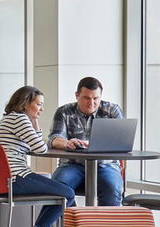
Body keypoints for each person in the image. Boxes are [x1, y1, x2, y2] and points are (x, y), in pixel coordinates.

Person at [0, 85, 77, 227]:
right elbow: (41, 148)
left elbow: (38, 145)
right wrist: (35, 123)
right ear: (25, 104)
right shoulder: (19, 120)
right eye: (38, 104)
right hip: (16, 178)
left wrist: (34, 121)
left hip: (3, 181)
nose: (42, 109)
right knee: (67, 193)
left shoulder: (9, 118)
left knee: (62, 194)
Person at [49, 76, 126, 207]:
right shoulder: (64, 112)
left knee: (112, 188)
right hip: (72, 165)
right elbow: (54, 138)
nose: (91, 103)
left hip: (106, 165)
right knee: (58, 188)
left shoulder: (112, 110)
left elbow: (123, 141)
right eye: (86, 98)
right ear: (77, 95)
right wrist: (67, 143)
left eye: (96, 98)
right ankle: (75, 223)